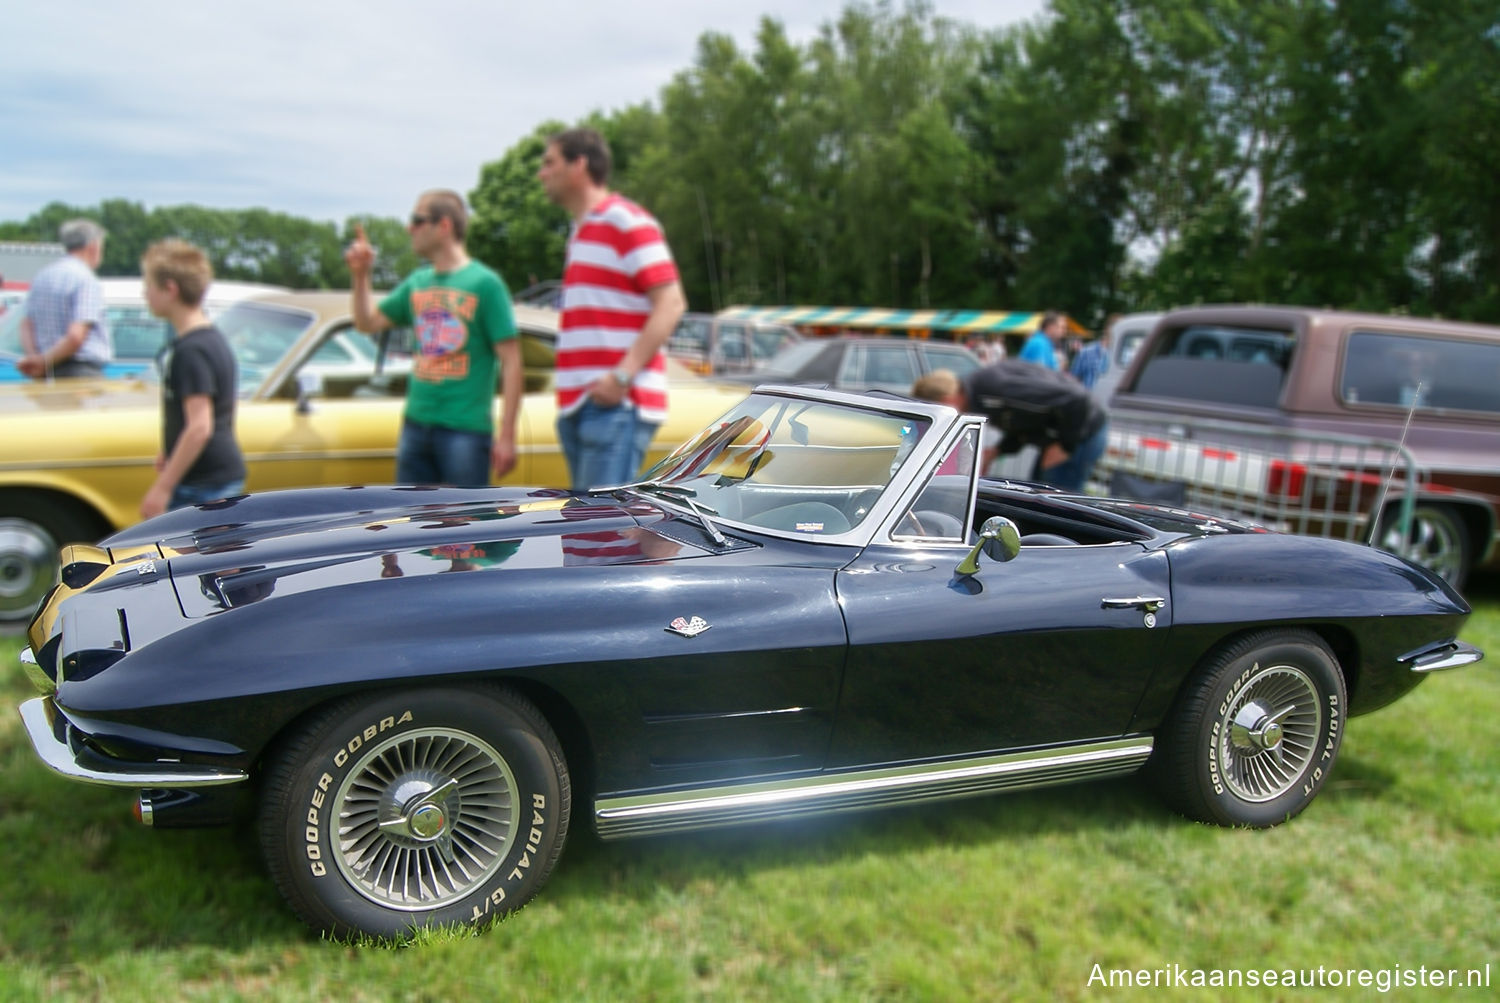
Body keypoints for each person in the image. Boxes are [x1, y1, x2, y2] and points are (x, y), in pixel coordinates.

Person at [537, 127, 687, 489]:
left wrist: (621, 377)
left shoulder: (624, 220)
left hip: (615, 406)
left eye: (549, 162)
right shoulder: (581, 231)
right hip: (585, 405)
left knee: (602, 539)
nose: (542, 173)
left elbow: (672, 302)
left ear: (579, 166)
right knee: (589, 538)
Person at [346, 190, 522, 487]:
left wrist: (507, 436)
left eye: (417, 220)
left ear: (444, 226)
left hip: (465, 431)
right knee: (413, 524)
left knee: (467, 526)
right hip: (416, 425)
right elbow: (366, 323)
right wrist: (361, 276)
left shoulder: (485, 284)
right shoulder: (418, 282)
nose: (409, 228)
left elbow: (512, 361)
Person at [139, 239, 246, 518]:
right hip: (213, 476)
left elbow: (200, 427)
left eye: (148, 285)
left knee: (205, 561)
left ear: (170, 289)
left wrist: (162, 488)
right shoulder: (211, 339)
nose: (145, 293)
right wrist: (171, 451)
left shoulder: (192, 350)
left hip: (203, 484)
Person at [912, 361, 1108, 493]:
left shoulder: (994, 390)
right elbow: (1024, 423)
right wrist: (996, 451)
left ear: (946, 400)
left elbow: (1076, 399)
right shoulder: (982, 394)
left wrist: (1065, 446)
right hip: (1063, 434)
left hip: (1085, 430)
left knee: (1055, 500)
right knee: (1038, 491)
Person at [18, 219, 111, 379]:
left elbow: (26, 325)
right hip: (80, 372)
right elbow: (76, 336)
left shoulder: (42, 276)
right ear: (93, 247)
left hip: (45, 373)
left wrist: (36, 359)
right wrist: (44, 362)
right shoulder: (85, 279)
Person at [1070, 319, 1112, 390]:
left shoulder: (1123, 356)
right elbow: (1073, 378)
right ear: (1106, 330)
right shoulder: (1085, 352)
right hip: (1089, 397)